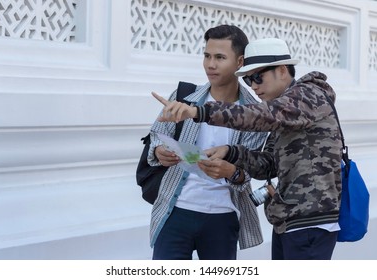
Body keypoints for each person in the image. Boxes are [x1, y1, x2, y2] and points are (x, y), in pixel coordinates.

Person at [152, 38, 342, 260]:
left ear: (282, 70)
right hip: (289, 221)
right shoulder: (284, 111)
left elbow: (259, 115)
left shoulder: (307, 95)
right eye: (249, 79)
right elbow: (267, 166)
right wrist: (231, 152)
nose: (253, 86)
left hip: (310, 222)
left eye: (257, 77)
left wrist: (197, 112)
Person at [147, 25, 267, 260]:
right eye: (207, 56)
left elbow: (249, 173)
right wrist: (160, 150)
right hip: (175, 211)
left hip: (222, 218)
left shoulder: (255, 114)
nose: (210, 64)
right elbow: (155, 137)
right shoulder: (184, 96)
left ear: (240, 62)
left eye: (220, 57)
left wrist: (231, 171)